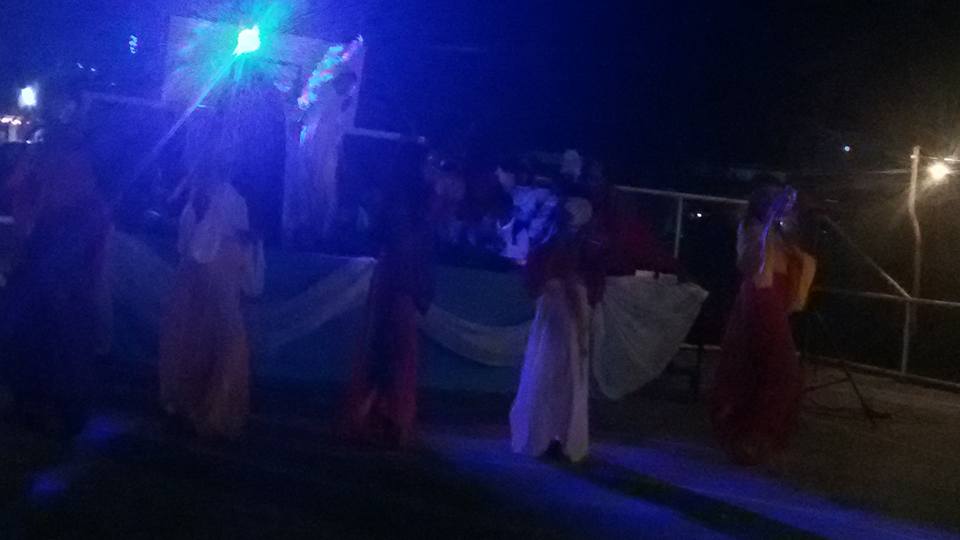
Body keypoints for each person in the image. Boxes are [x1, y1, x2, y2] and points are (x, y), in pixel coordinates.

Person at [0, 87, 112, 436]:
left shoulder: (65, 158)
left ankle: (52, 404)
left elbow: (35, 195)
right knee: (43, 329)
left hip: (59, 253)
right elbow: (21, 191)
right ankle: (41, 402)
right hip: (52, 251)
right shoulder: (57, 155)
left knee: (54, 330)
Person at [158, 141, 258, 440]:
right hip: (206, 281)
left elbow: (188, 246)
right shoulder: (213, 199)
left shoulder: (215, 200)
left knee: (205, 341)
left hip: (206, 281)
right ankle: (204, 409)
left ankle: (204, 408)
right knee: (208, 341)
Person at [710, 184, 812, 465]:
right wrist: (769, 225)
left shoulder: (779, 230)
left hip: (773, 298)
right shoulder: (752, 228)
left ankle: (753, 435)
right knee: (780, 366)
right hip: (761, 297)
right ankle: (754, 435)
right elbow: (751, 263)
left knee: (762, 365)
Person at [509, 196, 602, 463]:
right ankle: (556, 435)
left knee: (547, 370)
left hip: (552, 312)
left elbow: (533, 284)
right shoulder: (574, 248)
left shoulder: (550, 245)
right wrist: (581, 323)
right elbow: (573, 285)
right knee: (564, 372)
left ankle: (546, 434)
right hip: (565, 313)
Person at [342, 177, 434, 448]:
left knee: (383, 356)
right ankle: (388, 418)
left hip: (392, 296)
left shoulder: (402, 224)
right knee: (394, 359)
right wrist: (421, 297)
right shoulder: (417, 228)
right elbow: (422, 270)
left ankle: (379, 417)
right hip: (399, 299)